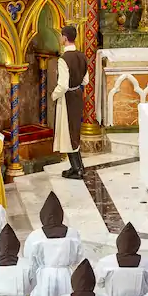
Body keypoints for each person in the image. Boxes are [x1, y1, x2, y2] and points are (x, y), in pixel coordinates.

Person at [25, 192, 84, 296]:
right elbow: (78, 258)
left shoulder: (36, 236)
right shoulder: (72, 234)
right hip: (65, 274)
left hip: (45, 276)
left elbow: (29, 260)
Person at [52, 25, 90, 180]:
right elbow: (86, 81)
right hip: (77, 95)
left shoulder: (64, 59)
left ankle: (77, 170)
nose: (60, 39)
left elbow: (63, 85)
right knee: (74, 131)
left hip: (67, 97)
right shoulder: (82, 56)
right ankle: (78, 166)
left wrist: (54, 95)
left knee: (67, 133)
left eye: (61, 36)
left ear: (65, 38)